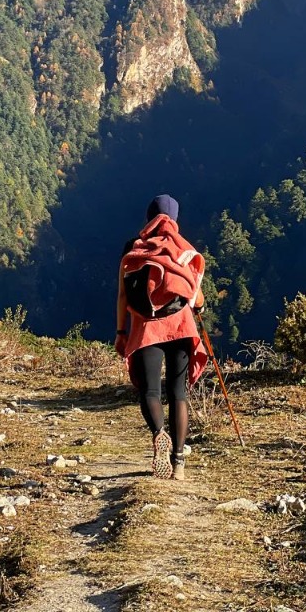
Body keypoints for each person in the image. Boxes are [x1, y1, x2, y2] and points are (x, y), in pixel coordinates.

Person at [115, 194, 208, 481]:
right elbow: (197, 300)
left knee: (150, 392)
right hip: (180, 328)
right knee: (178, 393)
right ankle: (179, 462)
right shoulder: (184, 251)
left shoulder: (133, 249)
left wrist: (121, 332)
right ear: (175, 219)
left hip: (145, 329)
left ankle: (159, 434)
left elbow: (122, 295)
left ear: (149, 217)